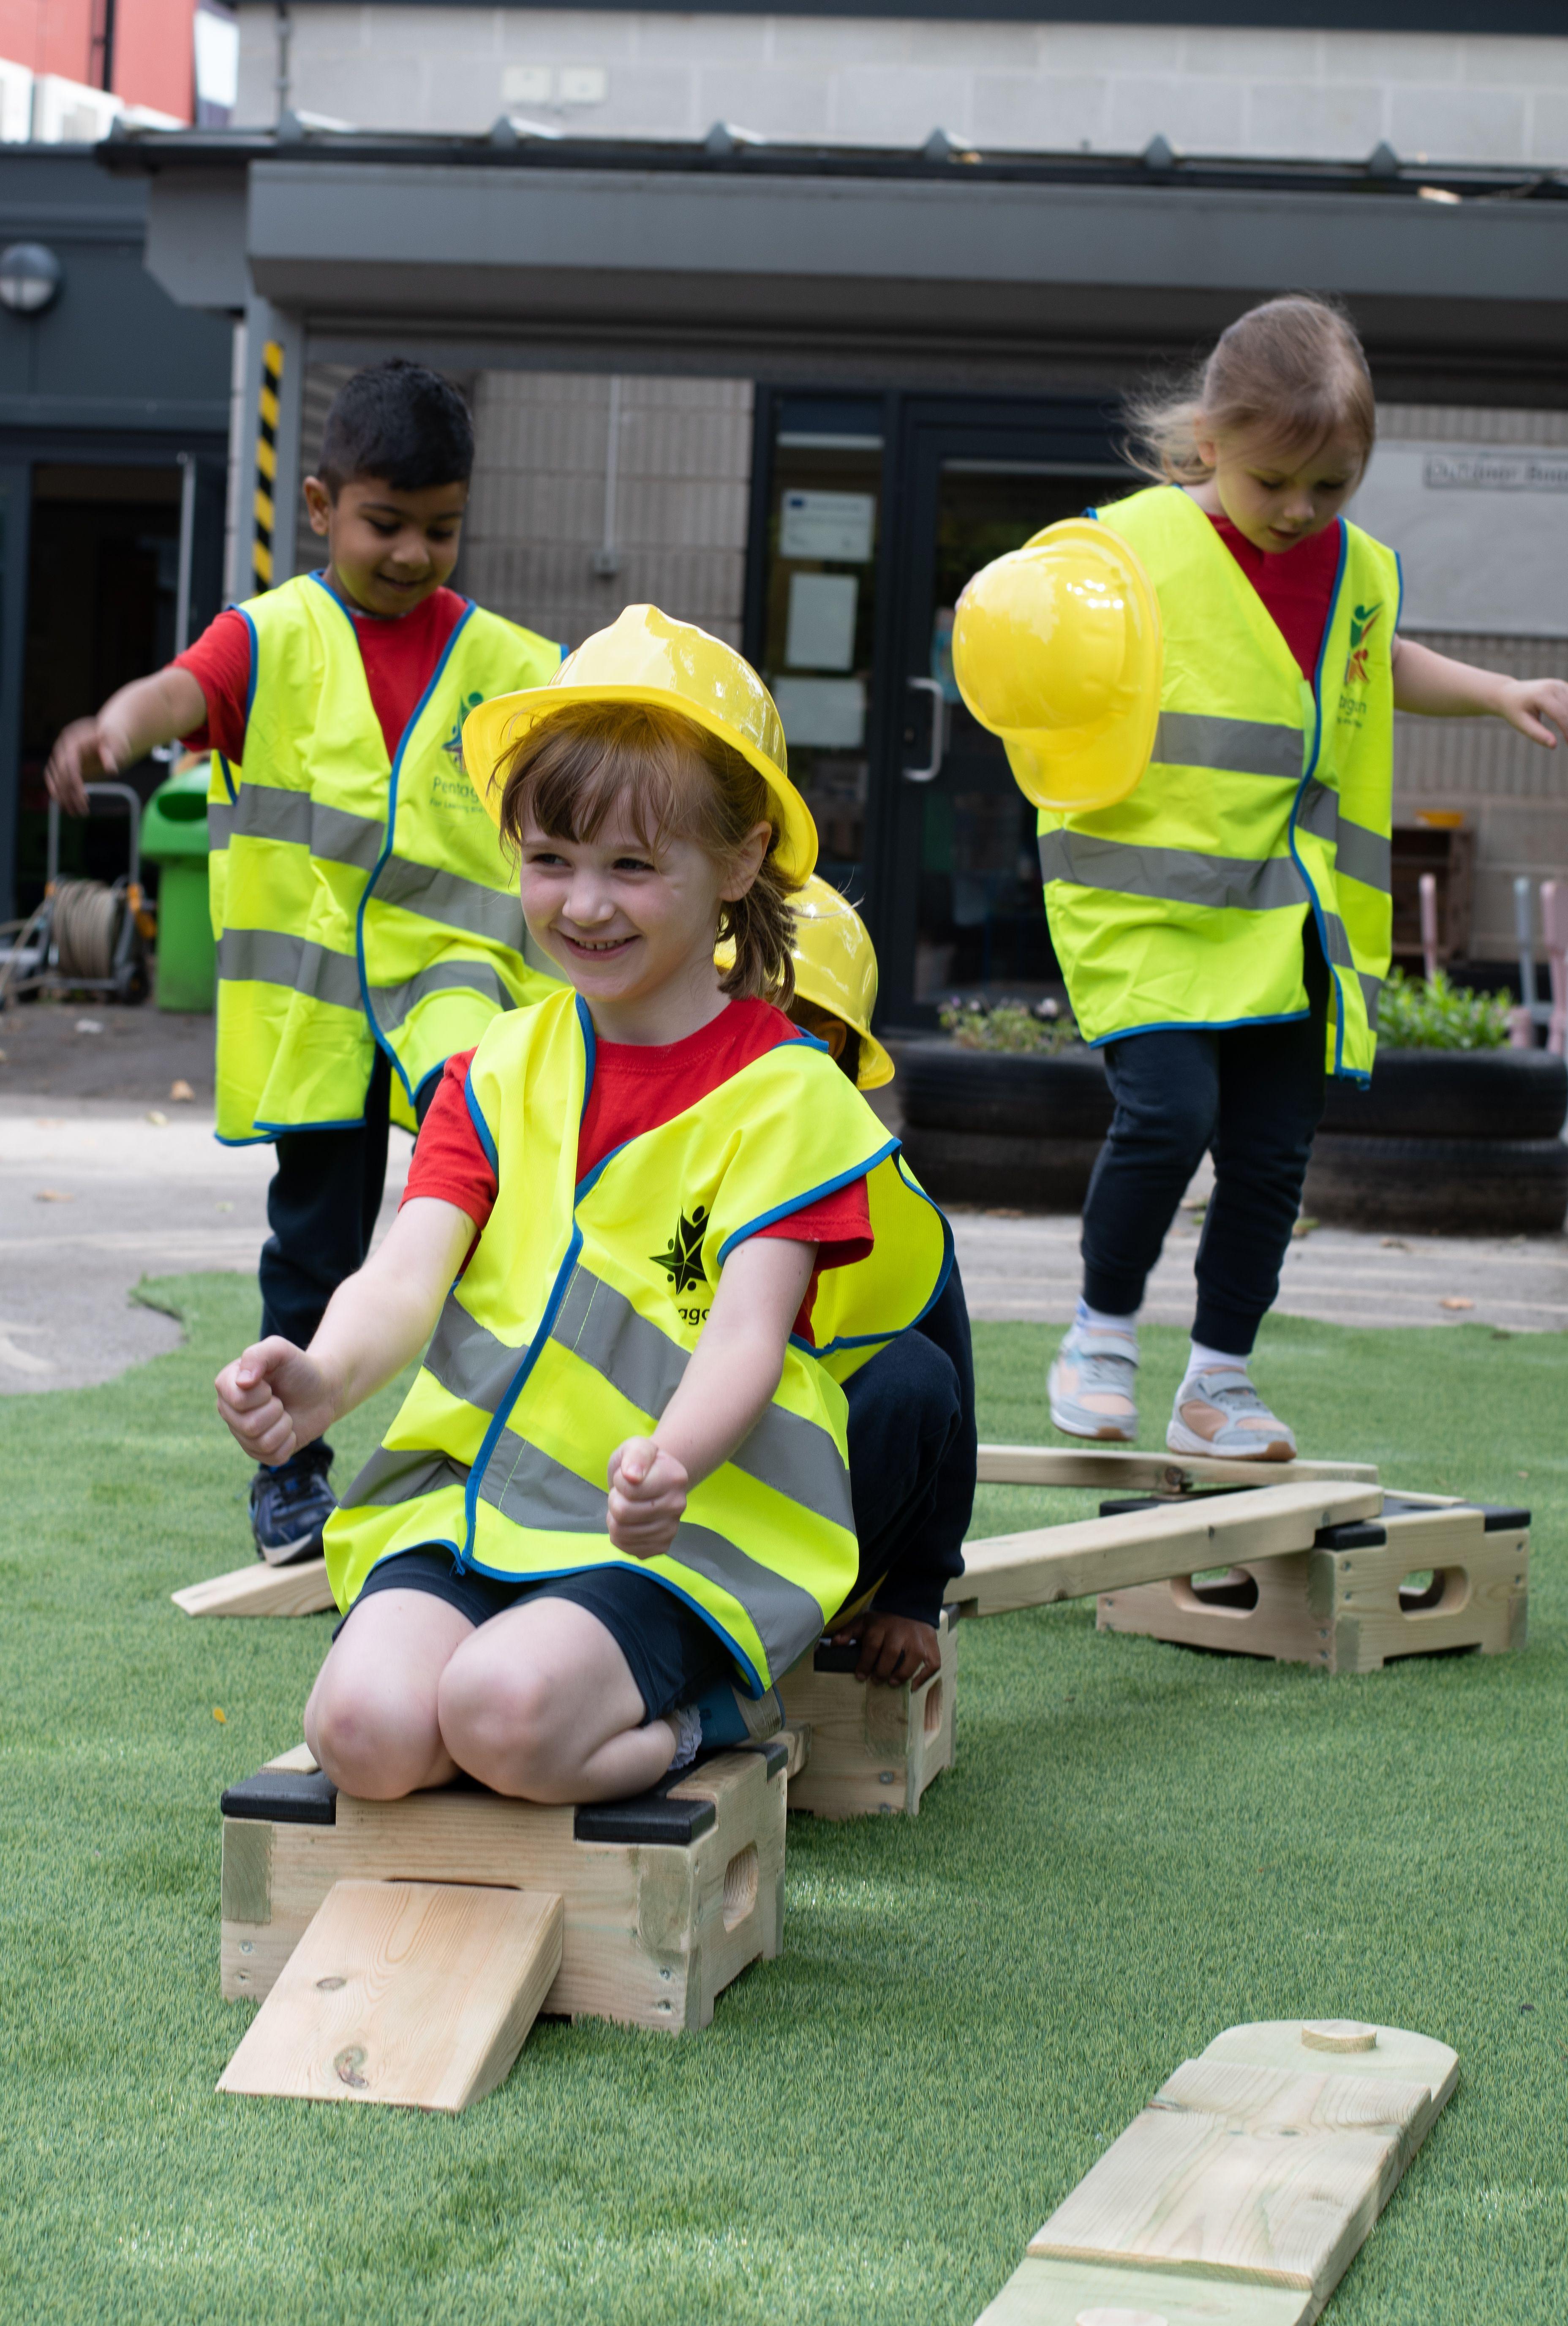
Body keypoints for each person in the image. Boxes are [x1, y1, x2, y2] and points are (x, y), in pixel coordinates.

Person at [212, 606, 951, 1807]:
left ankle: (707, 1720)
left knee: (504, 1720)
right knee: (362, 1730)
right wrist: (325, 1377)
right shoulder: (494, 1067)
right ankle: (569, 1698)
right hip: (474, 1505)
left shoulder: (790, 1095)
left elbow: (749, 1336)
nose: (584, 904)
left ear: (740, 860)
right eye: (551, 859)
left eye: (633, 866)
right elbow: (408, 1271)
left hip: (672, 1532)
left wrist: (675, 1458)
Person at [46, 360, 565, 1560]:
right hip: (318, 1015)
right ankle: (293, 1474)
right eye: (387, 523)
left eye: (442, 528)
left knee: (489, 1222)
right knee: (317, 1250)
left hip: (457, 1003)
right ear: (323, 507)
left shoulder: (513, 664)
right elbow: (180, 691)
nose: (413, 553)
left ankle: (498, 1444)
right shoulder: (268, 640)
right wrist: (114, 730)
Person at [1043, 295, 1568, 1461]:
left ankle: (1219, 1384)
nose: (1300, 510)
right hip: (1148, 909)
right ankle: (1099, 1332)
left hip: (1291, 920)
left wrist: (1498, 691)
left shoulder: (1359, 570)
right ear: (1211, 443)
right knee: (1170, 1115)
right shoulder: (1123, 548)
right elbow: (1027, 647)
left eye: (1332, 485)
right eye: (1275, 480)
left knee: (1276, 1153)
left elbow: (1379, 663)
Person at [765, 875, 976, 1692]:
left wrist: (918, 1596)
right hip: (648, 1512)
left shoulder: (892, 1199)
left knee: (918, 1379)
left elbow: (951, 1412)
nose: (790, 1051)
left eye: (818, 1031)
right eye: (768, 1019)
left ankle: (810, 1610)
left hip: (803, 1519)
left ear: (852, 1058)